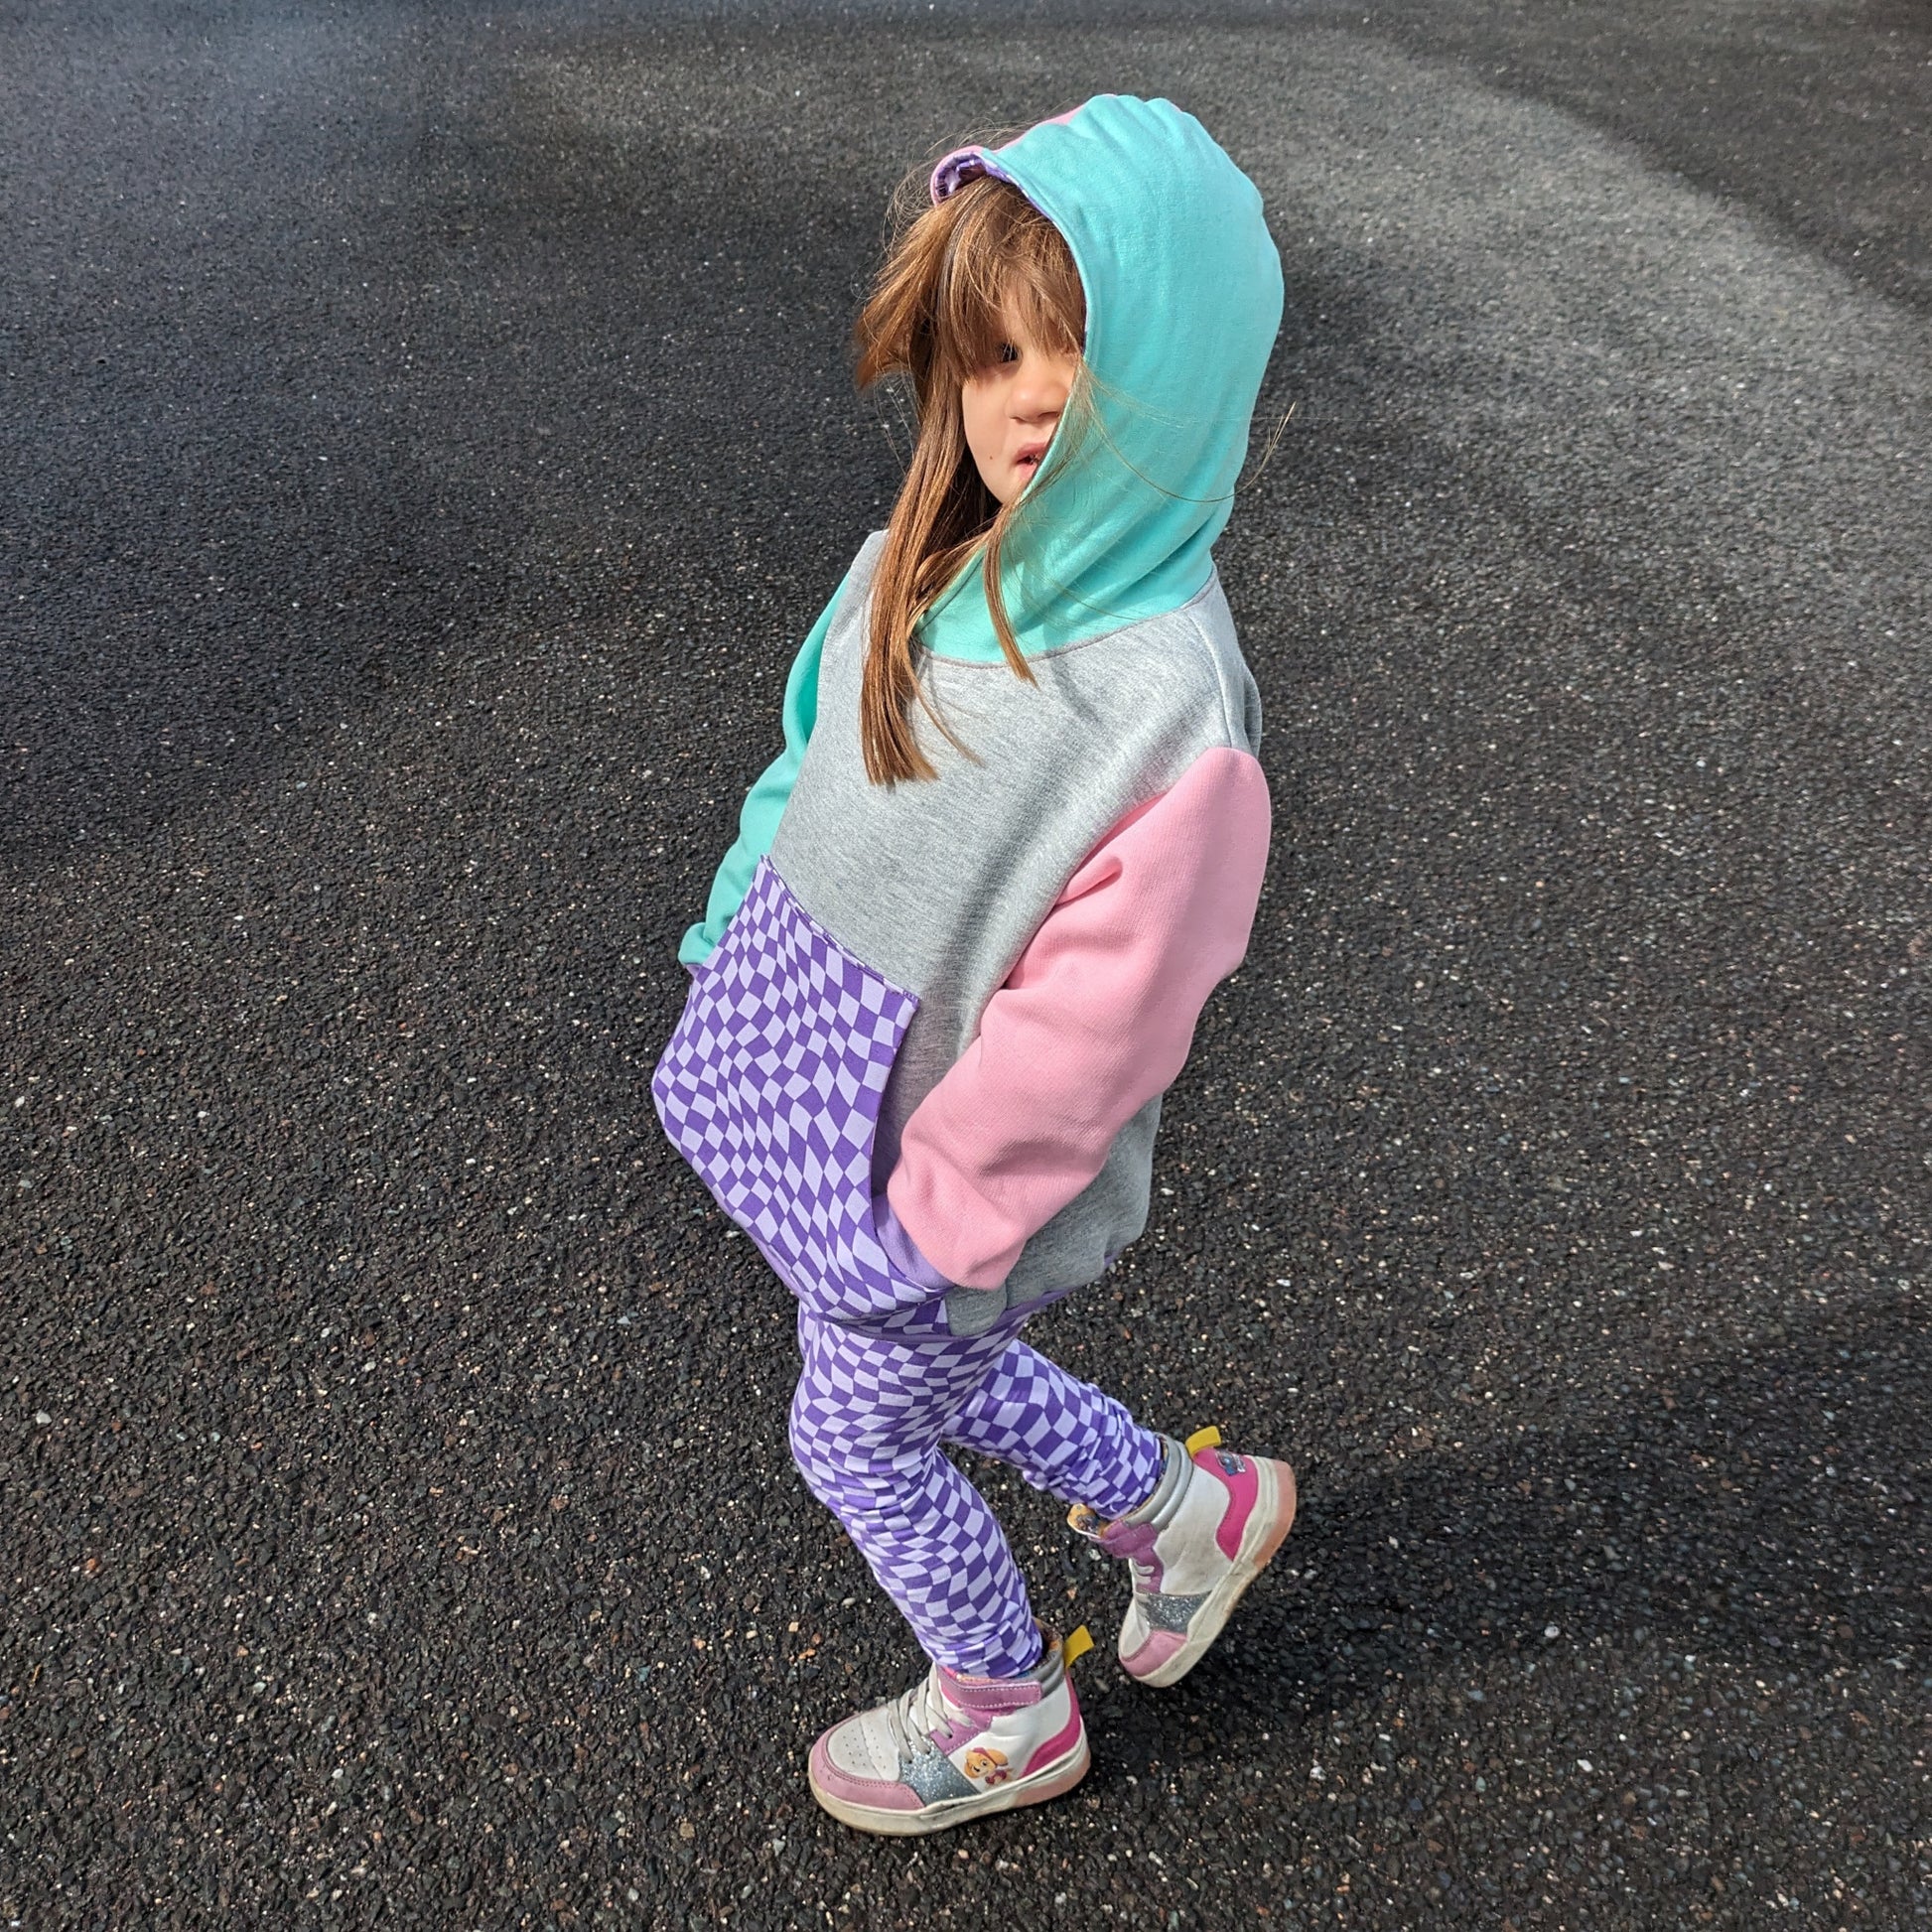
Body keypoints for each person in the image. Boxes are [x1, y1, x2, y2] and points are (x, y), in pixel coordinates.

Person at [653, 94, 1294, 1836]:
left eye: (1080, 353)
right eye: (991, 350)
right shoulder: (922, 554)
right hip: (824, 1092)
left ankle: (1007, 1707)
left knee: (854, 1432)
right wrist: (727, 925)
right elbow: (808, 762)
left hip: (945, 1184)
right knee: (913, 1369)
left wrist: (941, 1219)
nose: (1024, 395)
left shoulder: (1167, 712)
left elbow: (1096, 1030)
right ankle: (1182, 1512)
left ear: (1185, 372)